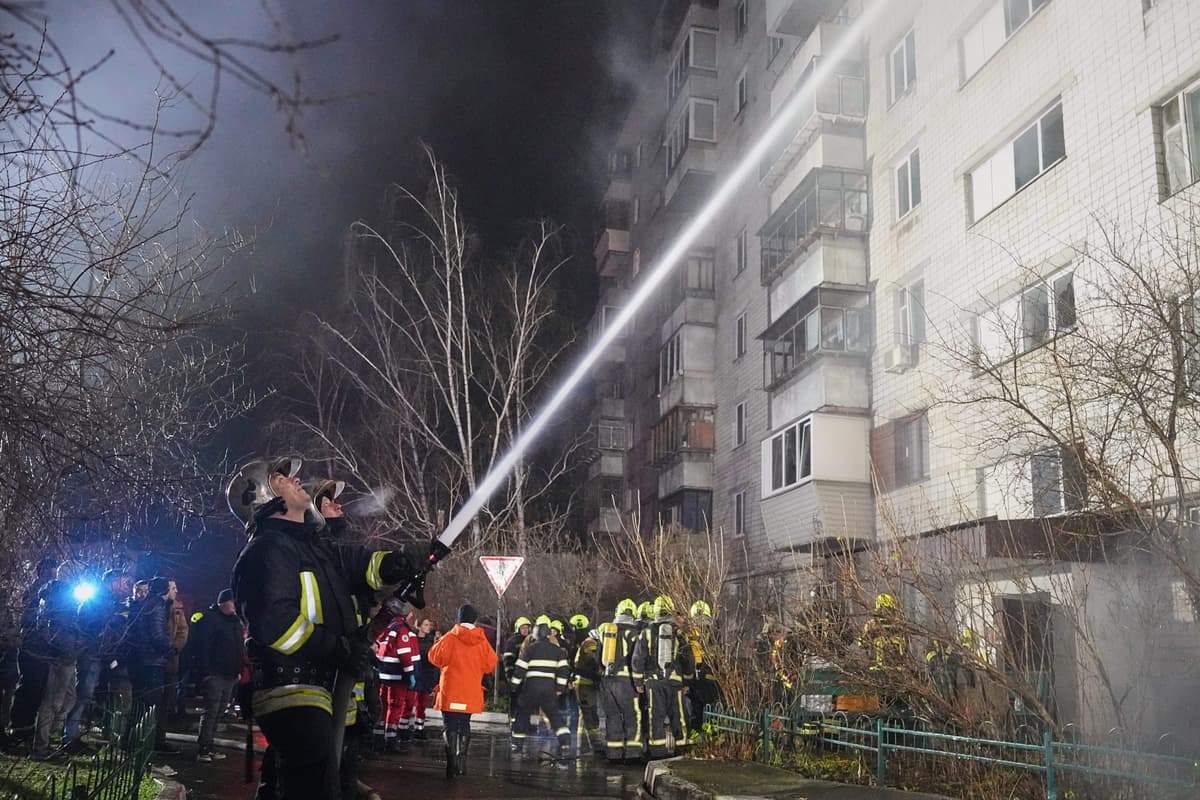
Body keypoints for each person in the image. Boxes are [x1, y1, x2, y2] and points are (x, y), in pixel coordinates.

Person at [227, 457, 419, 800]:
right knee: (313, 787)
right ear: (262, 498)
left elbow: (361, 565)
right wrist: (338, 649)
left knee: (323, 784)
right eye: (281, 478)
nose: (295, 479)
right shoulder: (266, 551)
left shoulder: (313, 549)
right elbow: (276, 624)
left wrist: (399, 562)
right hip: (292, 690)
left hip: (323, 687)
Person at [62, 569, 131, 754]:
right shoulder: (100, 602)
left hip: (99, 655)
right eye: (122, 582)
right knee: (83, 694)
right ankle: (69, 736)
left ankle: (73, 734)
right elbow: (95, 629)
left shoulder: (110, 602)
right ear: (113, 582)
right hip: (92, 654)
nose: (125, 587)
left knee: (88, 695)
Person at [427, 604, 496, 779]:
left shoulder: (450, 637)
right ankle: (462, 761)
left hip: (450, 690)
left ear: (459, 618)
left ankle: (451, 763)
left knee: (449, 725)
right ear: (474, 619)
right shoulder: (481, 640)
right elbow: (490, 664)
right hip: (470, 691)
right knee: (464, 724)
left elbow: (433, 657)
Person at [30, 579, 82, 759]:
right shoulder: (54, 607)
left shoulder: (63, 608)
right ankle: (41, 747)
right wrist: (63, 651)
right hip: (60, 658)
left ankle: (49, 740)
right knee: (52, 702)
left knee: (69, 699)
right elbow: (50, 634)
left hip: (68, 657)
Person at [11, 558, 59, 742]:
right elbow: (29, 620)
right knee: (30, 686)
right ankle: (19, 728)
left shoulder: (48, 592)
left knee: (36, 688)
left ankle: (26, 727)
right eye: (52, 572)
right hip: (33, 647)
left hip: (41, 648)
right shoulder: (37, 592)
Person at [508, 622, 571, 760]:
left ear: (535, 635)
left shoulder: (530, 649)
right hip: (549, 688)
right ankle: (565, 743)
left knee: (523, 714)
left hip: (531, 687)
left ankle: (517, 744)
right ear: (548, 635)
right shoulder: (557, 650)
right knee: (554, 716)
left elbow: (520, 669)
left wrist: (513, 685)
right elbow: (564, 671)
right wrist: (560, 689)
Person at [127, 576, 176, 753]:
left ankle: (131, 741)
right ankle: (137, 745)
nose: (175, 592)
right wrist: (171, 648)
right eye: (172, 589)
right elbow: (158, 635)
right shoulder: (158, 606)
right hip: (152, 661)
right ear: (165, 590)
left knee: (139, 704)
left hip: (141, 660)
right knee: (148, 705)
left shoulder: (146, 605)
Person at [192, 589, 242, 762]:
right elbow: (203, 647)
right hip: (215, 673)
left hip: (230, 674)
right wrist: (205, 672)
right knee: (211, 710)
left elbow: (238, 647)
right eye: (233, 602)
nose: (235, 606)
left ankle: (210, 744)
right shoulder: (210, 619)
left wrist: (238, 670)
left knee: (219, 711)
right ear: (223, 603)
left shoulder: (235, 621)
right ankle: (204, 748)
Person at [598, 598, 648, 763]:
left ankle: (614, 754)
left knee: (612, 717)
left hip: (607, 680)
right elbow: (638, 659)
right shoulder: (635, 633)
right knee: (633, 716)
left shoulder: (607, 631)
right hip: (626, 682)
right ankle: (633, 754)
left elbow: (599, 659)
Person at [374, 600, 419, 752]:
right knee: (396, 706)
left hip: (383, 673)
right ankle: (391, 740)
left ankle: (378, 737)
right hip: (397, 675)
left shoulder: (387, 626)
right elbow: (404, 654)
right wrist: (410, 673)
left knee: (383, 705)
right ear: (408, 614)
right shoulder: (402, 629)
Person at [572, 625, 604, 755]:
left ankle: (584, 743)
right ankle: (588, 744)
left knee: (587, 714)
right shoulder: (590, 643)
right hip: (584, 684)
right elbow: (593, 661)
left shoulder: (590, 643)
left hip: (586, 683)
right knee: (588, 714)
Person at [164, 580, 189, 721]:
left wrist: (175, 648)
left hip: (171, 658)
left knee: (169, 691)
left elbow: (183, 630)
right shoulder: (154, 607)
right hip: (155, 658)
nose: (176, 591)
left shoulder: (177, 608)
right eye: (173, 588)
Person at [412, 617, 439, 740]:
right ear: (419, 626)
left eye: (429, 625)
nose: (428, 627)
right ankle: (404, 728)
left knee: (422, 703)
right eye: (426, 624)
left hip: (426, 674)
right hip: (415, 673)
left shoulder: (431, 640)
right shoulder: (413, 639)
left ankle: (419, 728)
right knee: (409, 702)